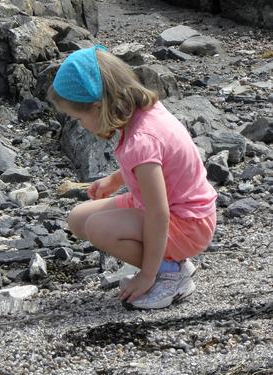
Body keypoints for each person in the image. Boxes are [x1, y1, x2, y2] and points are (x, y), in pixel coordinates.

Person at [47, 45, 217, 309]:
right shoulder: (144, 112)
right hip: (170, 208)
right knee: (78, 219)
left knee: (98, 228)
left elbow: (158, 213)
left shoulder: (141, 140)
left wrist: (145, 275)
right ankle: (169, 260)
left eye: (77, 117)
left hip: (187, 223)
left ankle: (169, 273)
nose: (79, 125)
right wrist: (116, 180)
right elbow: (158, 168)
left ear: (97, 107)